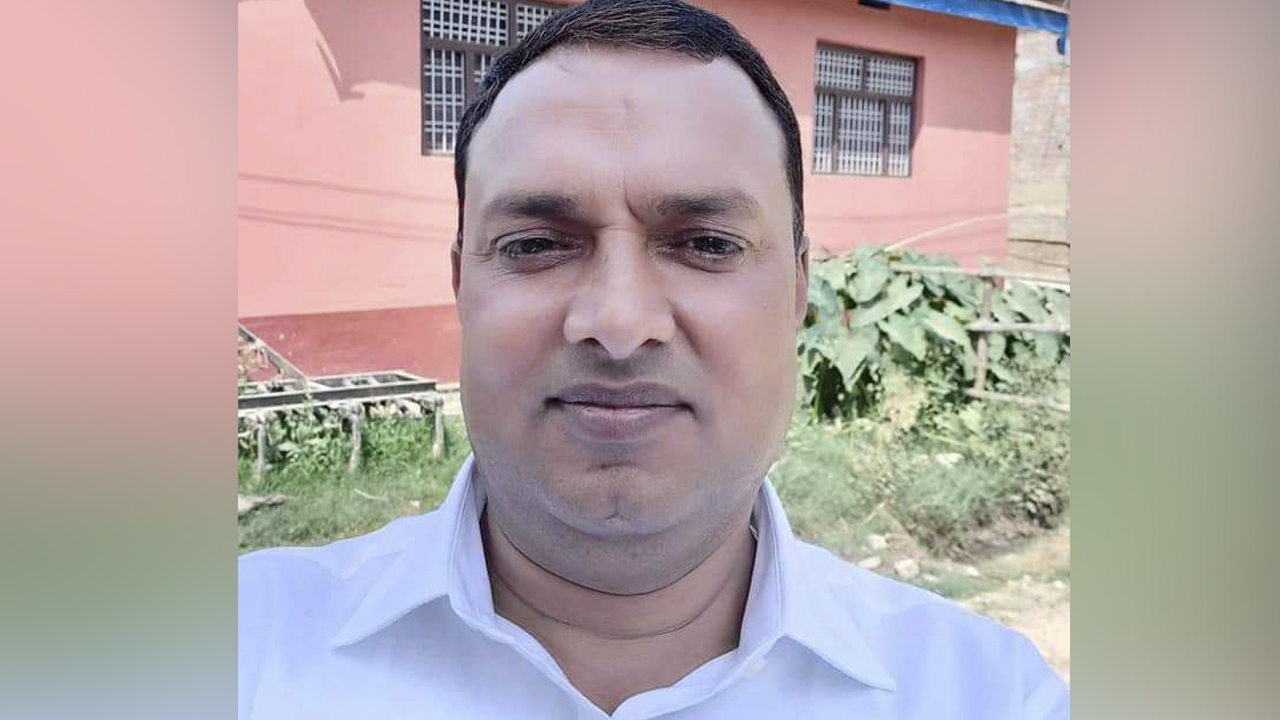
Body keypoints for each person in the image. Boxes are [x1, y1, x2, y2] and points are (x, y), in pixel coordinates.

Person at [238, 1, 1070, 717]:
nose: (618, 322)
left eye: (706, 243)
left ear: (797, 289)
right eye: (535, 245)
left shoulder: (988, 696)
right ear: (462, 284)